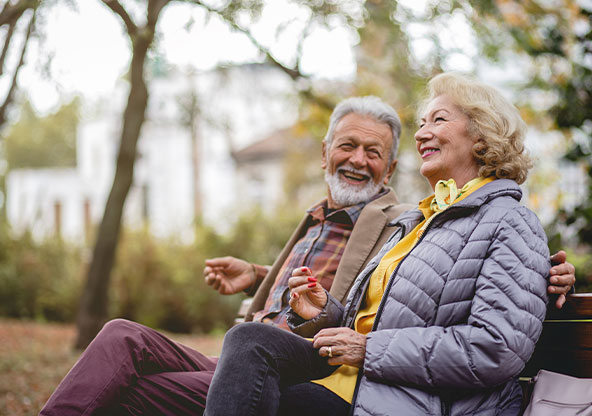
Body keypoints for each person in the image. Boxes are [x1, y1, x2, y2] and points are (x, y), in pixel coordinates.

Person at [40, 94, 574, 416]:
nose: (359, 161)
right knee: (122, 338)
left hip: (325, 369)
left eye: (375, 152)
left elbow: (493, 329)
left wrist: (550, 272)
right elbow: (370, 307)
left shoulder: (404, 216)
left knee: (140, 391)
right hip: (283, 354)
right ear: (324, 153)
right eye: (347, 146)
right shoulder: (412, 220)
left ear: (389, 171)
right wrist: (269, 284)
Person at [204, 72, 557, 416]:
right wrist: (326, 312)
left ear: (481, 136)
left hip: (409, 399)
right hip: (353, 380)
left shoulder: (510, 221)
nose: (421, 134)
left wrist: (367, 349)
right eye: (421, 123)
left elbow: (496, 348)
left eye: (438, 119)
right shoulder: (422, 220)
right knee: (249, 339)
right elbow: (385, 321)